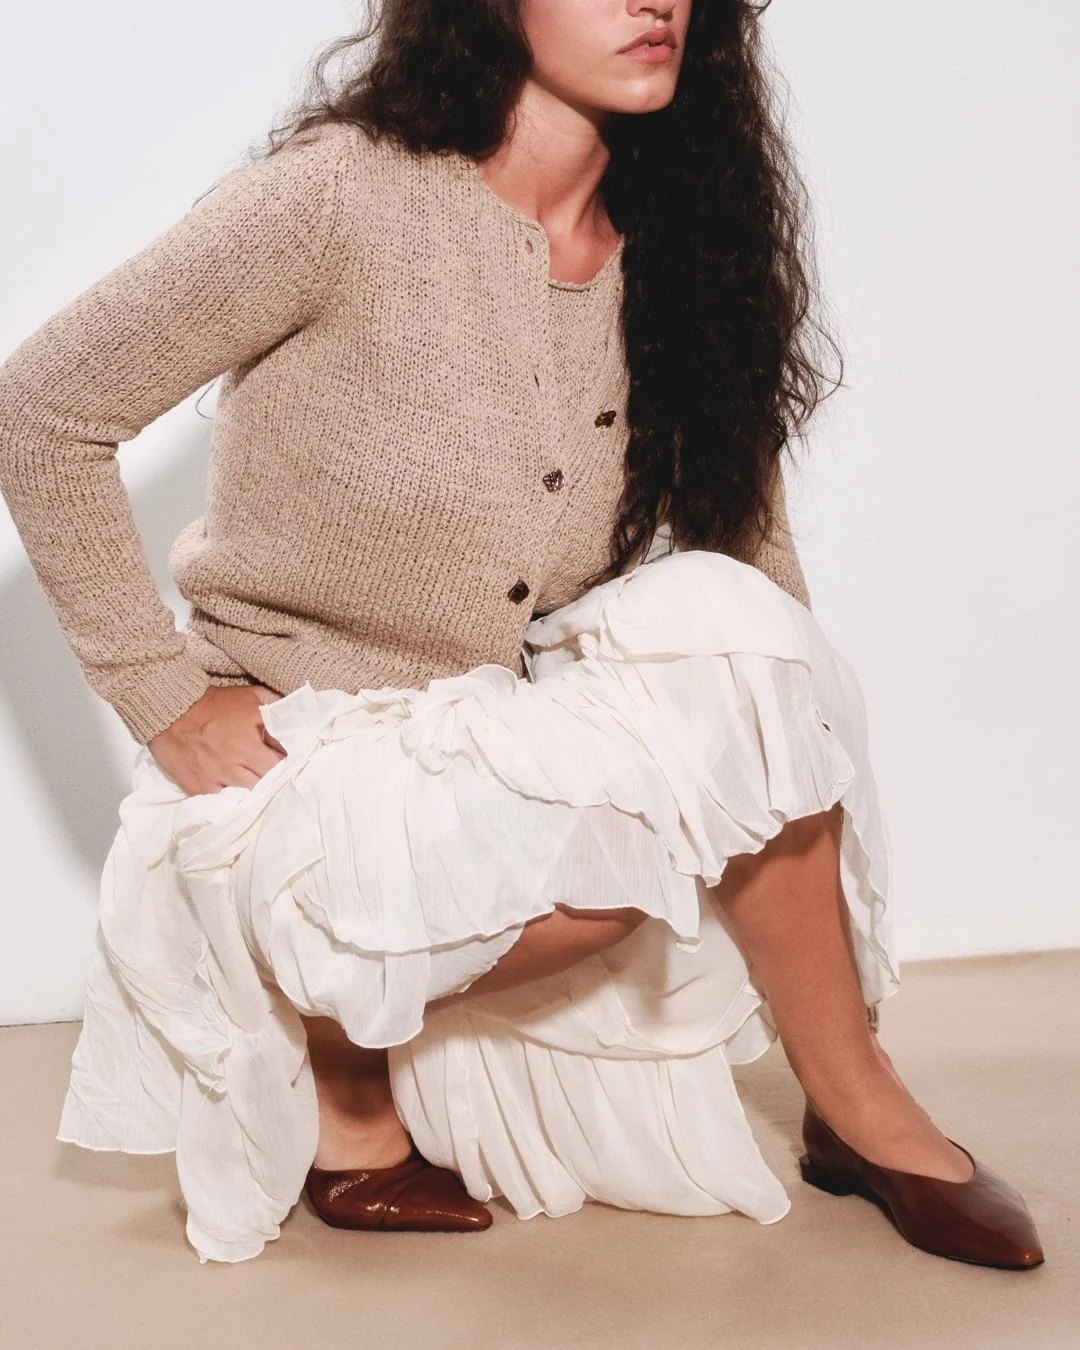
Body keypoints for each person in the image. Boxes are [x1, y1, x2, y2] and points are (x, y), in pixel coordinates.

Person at [0, 0, 1043, 1269]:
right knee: (623, 851)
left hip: (501, 733)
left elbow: (748, 565)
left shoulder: (680, 239)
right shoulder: (338, 198)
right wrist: (157, 692)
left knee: (734, 633)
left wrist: (785, 743)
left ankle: (855, 1100)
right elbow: (40, 409)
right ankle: (341, 1073)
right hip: (304, 756)